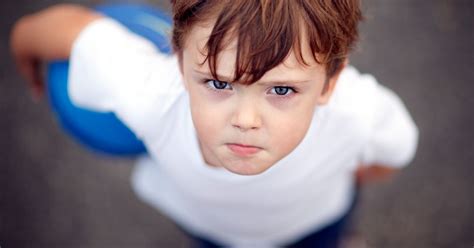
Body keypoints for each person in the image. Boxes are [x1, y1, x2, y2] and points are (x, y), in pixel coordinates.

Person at [10, 1, 419, 247]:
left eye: (280, 91)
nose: (244, 120)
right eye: (219, 83)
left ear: (330, 82)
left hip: (315, 224)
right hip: (209, 226)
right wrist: (28, 60)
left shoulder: (359, 113)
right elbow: (54, 30)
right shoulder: (153, 91)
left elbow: (394, 153)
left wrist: (343, 172)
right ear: (178, 59)